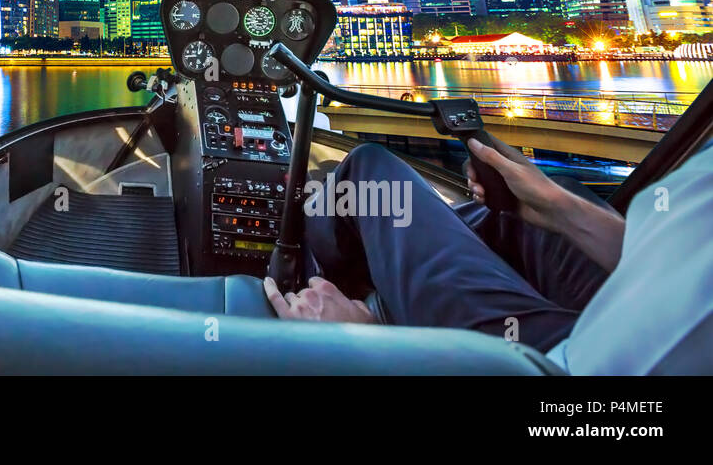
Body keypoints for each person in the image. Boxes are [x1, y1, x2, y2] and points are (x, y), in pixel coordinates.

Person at [262, 136, 713, 374]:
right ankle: (399, 279)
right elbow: (683, 256)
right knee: (533, 209)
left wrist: (370, 347)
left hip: (559, 365)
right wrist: (557, 208)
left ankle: (314, 260)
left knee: (373, 176)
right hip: (639, 301)